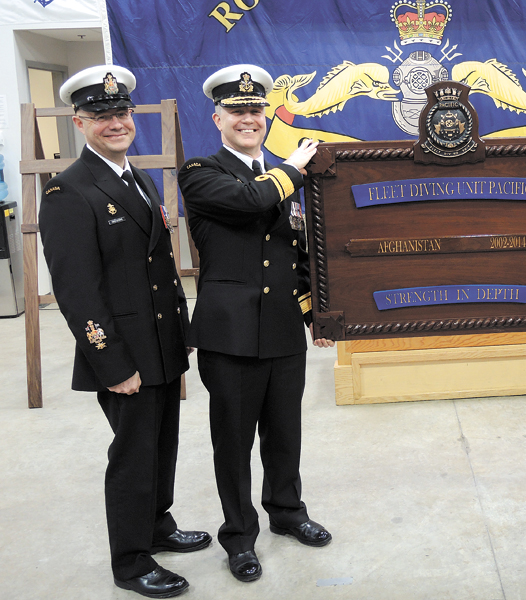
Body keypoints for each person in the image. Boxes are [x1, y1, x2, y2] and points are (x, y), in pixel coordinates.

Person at [40, 65, 210, 599]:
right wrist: (111, 364)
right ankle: (132, 562)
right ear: (79, 121)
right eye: (101, 116)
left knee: (162, 446)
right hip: (123, 355)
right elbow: (77, 293)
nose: (115, 123)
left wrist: (181, 333)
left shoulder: (133, 177)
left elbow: (158, 268)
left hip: (160, 345)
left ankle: (157, 526)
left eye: (121, 113)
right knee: (133, 457)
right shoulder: (69, 192)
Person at [178, 64, 334, 583]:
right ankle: (239, 537)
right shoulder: (201, 171)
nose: (249, 119)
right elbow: (251, 201)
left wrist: (317, 313)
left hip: (284, 328)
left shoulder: (282, 176)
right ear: (217, 116)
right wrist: (292, 168)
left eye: (256, 111)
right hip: (230, 334)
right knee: (234, 442)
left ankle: (288, 514)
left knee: (285, 433)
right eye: (238, 111)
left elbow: (299, 251)